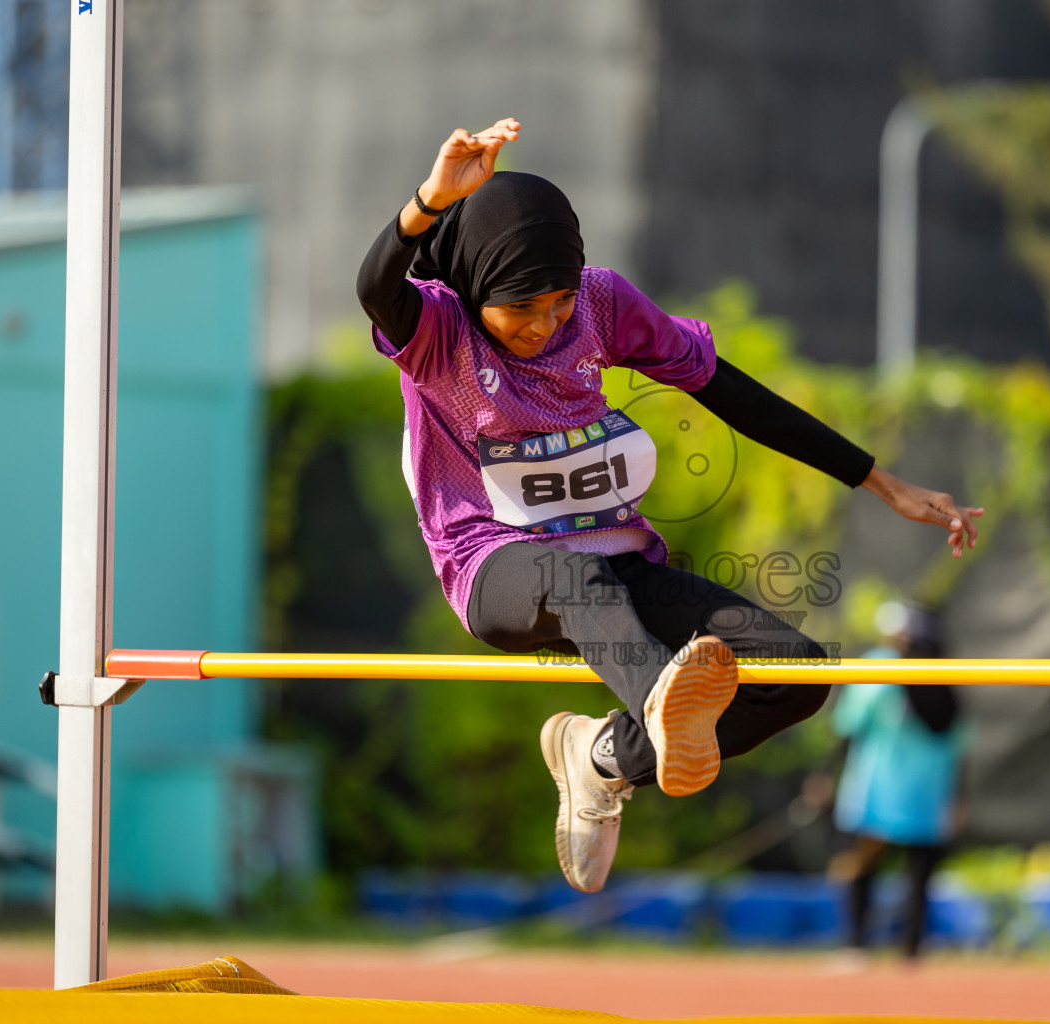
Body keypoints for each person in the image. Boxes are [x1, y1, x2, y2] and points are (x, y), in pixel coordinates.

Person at [355, 118, 984, 893]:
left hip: (620, 567)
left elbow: (730, 394)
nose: (546, 324)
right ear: (477, 288)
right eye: (522, 308)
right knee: (575, 583)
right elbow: (374, 287)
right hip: (493, 567)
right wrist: (427, 201)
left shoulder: (602, 306)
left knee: (797, 675)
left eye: (557, 302)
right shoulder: (437, 330)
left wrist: (881, 481)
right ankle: (660, 697)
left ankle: (601, 757)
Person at [827, 603, 964, 962]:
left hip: (894, 790)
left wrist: (827, 773)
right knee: (880, 868)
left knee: (887, 869)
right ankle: (885, 946)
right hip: (901, 791)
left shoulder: (904, 670)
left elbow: (849, 726)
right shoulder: (938, 671)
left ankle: (887, 946)